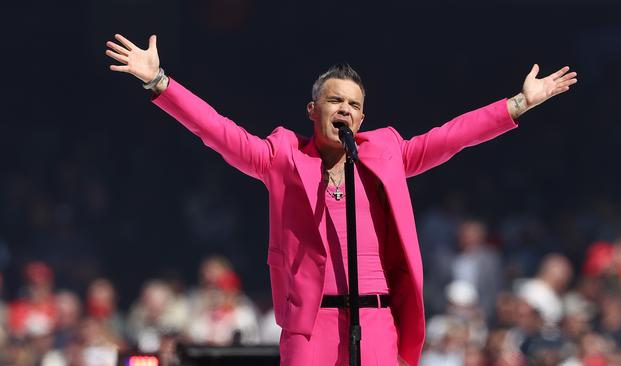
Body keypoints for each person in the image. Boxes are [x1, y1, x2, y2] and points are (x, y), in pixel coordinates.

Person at [105, 33, 577, 366]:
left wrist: (519, 103)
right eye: (335, 102)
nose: (345, 110)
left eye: (353, 104)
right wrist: (160, 83)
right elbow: (218, 133)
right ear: (314, 110)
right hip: (311, 324)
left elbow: (451, 137)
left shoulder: (386, 154)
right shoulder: (282, 158)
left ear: (363, 115)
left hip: (374, 321)